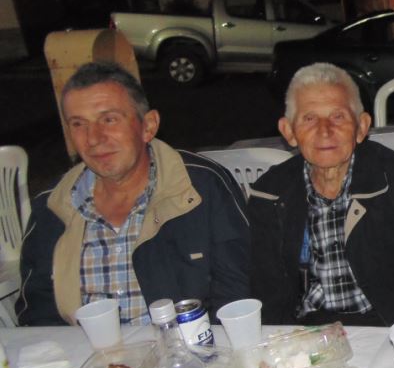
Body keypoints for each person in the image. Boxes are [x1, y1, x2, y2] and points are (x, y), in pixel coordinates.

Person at [17, 62, 250, 326]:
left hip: (188, 346)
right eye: (78, 124)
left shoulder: (202, 189)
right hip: (84, 350)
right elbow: (37, 312)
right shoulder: (53, 207)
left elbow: (236, 293)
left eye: (109, 119)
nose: (93, 138)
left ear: (148, 126)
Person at [247, 63, 394, 334]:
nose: (324, 130)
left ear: (361, 127)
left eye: (338, 117)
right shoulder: (269, 194)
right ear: (288, 131)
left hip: (390, 327)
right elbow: (265, 293)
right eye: (309, 118)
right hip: (306, 332)